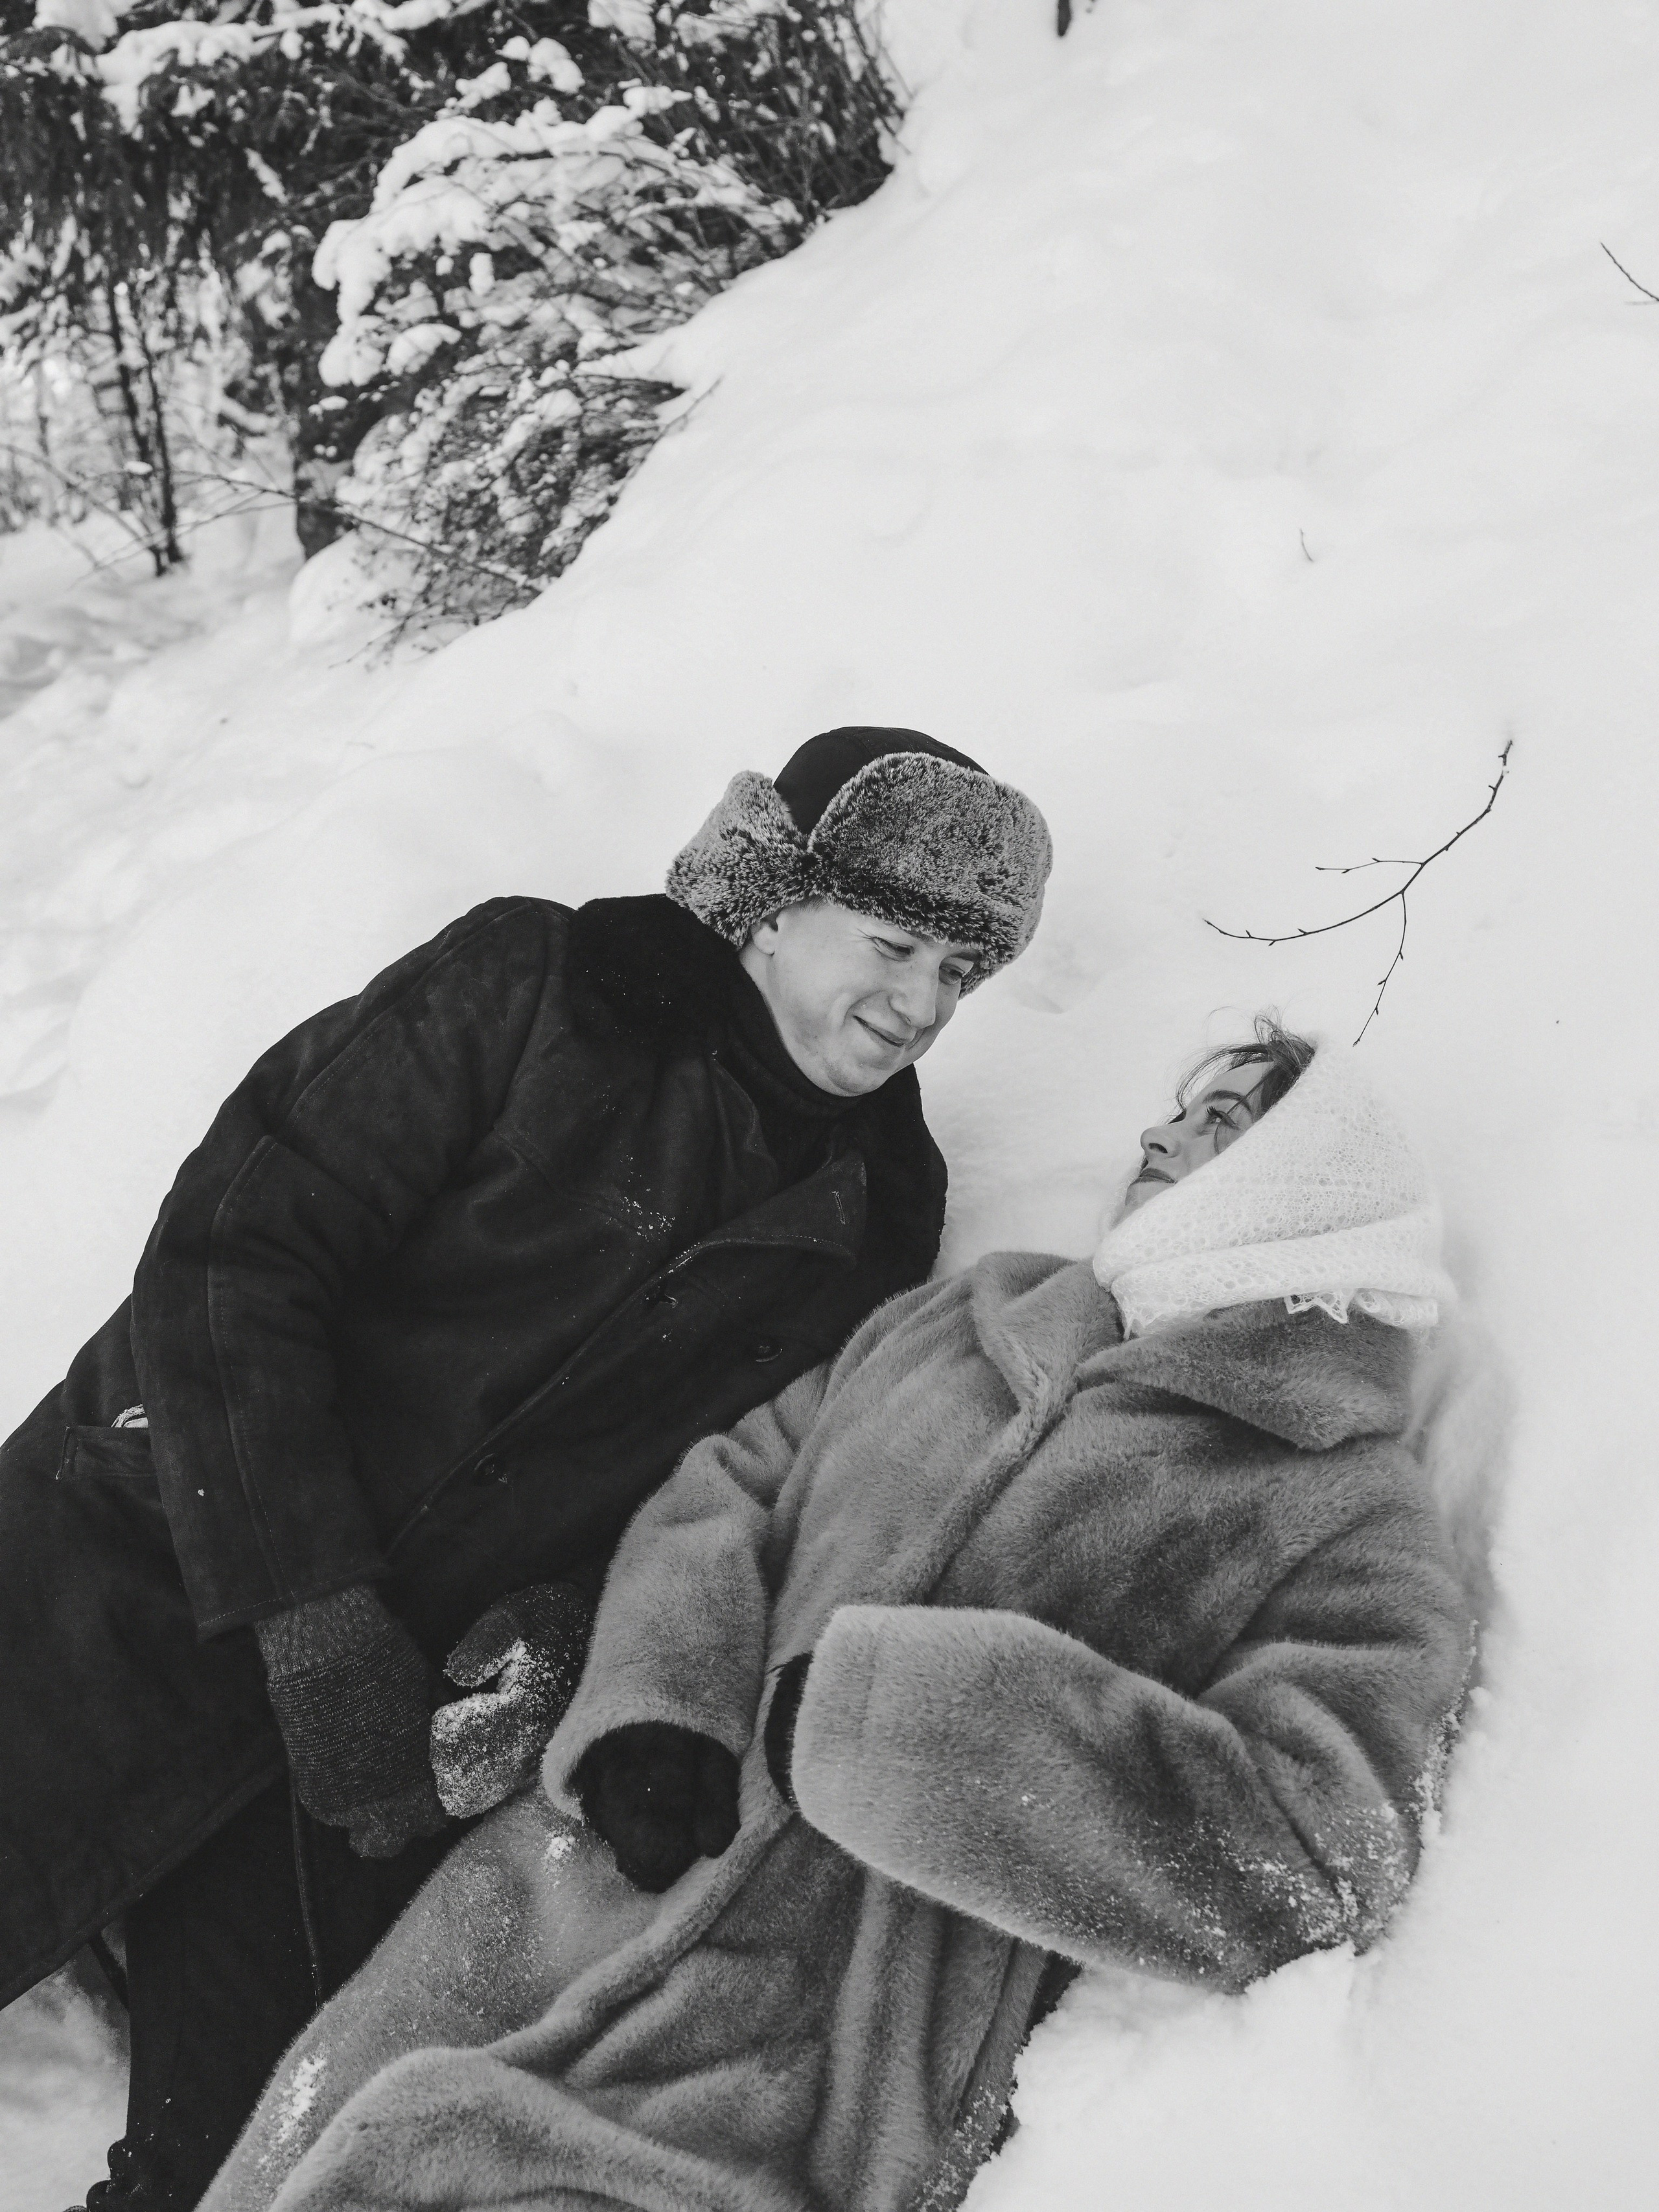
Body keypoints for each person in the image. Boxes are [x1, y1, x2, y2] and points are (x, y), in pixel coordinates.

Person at [0, 726, 1052, 2212]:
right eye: (891, 945)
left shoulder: (871, 1207)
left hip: (362, 1743)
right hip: (140, 1557)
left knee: (251, 2166)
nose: (919, 1006)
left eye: (960, 976)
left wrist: (560, 1632)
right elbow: (239, 1249)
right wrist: (308, 1612)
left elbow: (723, 1483)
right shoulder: (535, 989)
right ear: (771, 893)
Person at [200, 1020, 1476, 2212]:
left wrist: (912, 1729)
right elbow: (729, 1482)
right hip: (559, 1910)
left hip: (806, 2066)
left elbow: (1313, 1863)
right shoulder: (966, 1317)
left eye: (1221, 1124)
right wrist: (657, 1702)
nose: (1158, 1138)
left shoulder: (1343, 1501)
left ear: (1314, 1187)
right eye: (1175, 1111)